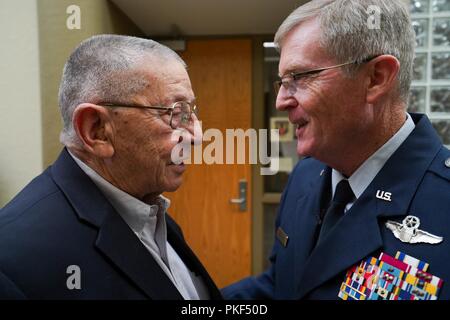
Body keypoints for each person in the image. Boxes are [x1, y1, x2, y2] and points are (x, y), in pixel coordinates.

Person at [223, 0, 450, 300]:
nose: (280, 101)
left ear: (376, 78)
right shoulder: (305, 176)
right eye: (282, 81)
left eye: (300, 77)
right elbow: (282, 285)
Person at [0, 35, 221, 300]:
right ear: (97, 130)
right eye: (175, 113)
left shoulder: (149, 209)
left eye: (190, 112)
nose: (197, 135)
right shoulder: (13, 263)